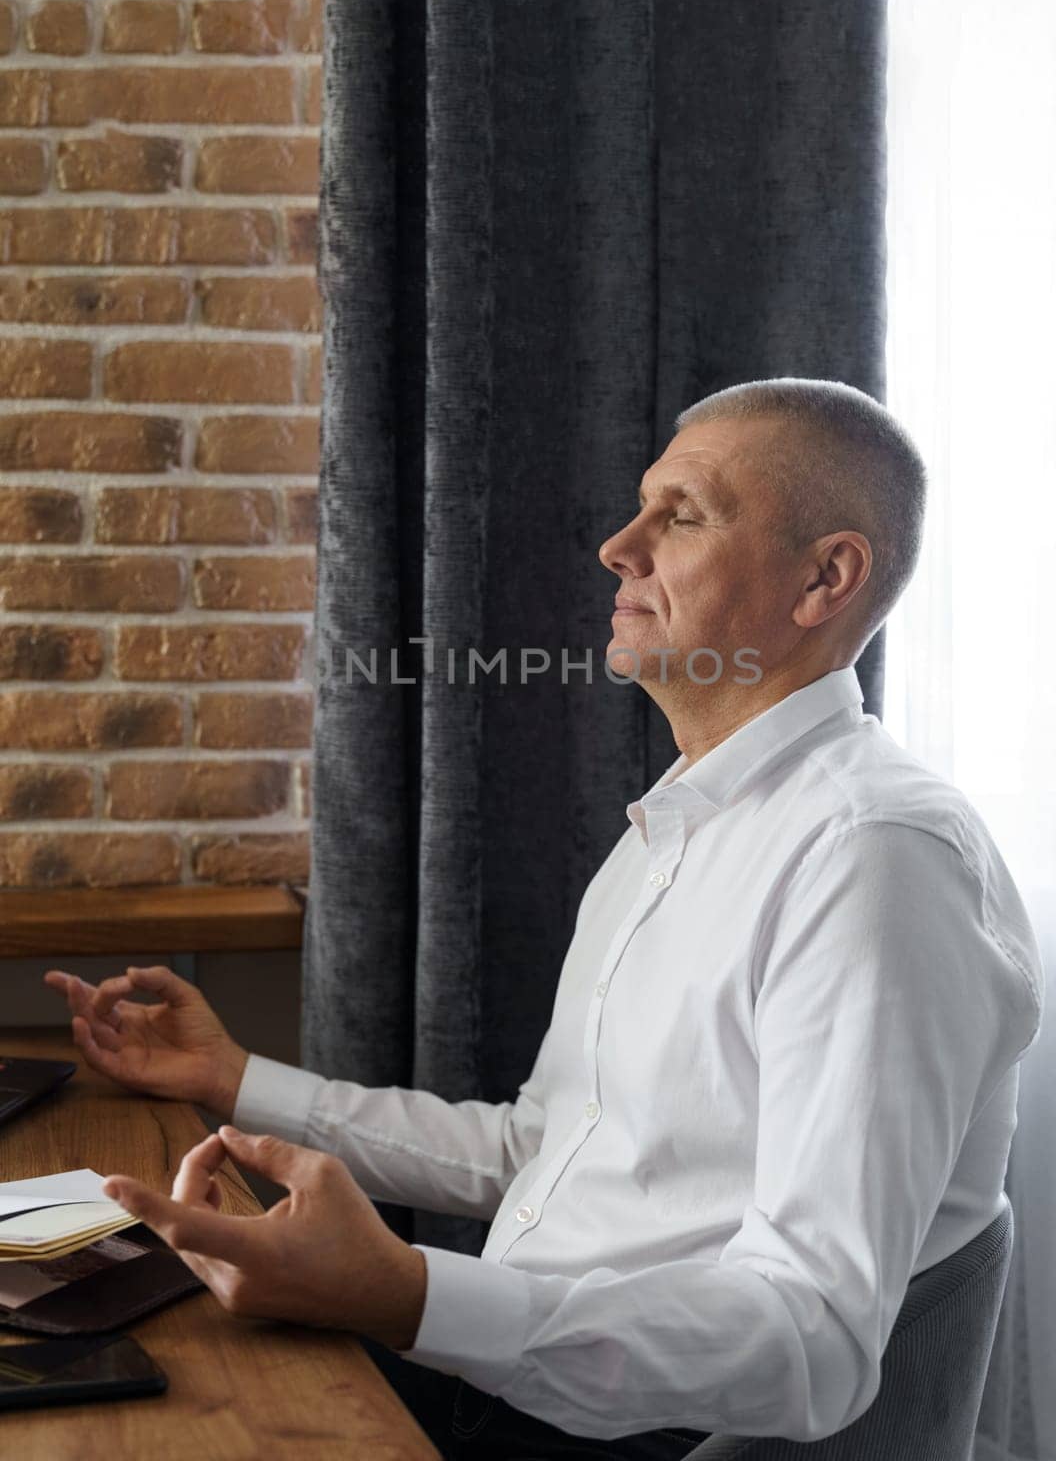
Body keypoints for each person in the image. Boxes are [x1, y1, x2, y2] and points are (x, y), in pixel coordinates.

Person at [45, 378, 1044, 1460]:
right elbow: (545, 1145)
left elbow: (815, 1340)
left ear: (825, 578)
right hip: (507, 1379)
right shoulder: (675, 833)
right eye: (638, 507)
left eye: (683, 514)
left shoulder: (875, 859)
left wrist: (412, 1295)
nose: (619, 545)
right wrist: (231, 1080)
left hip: (633, 1433)